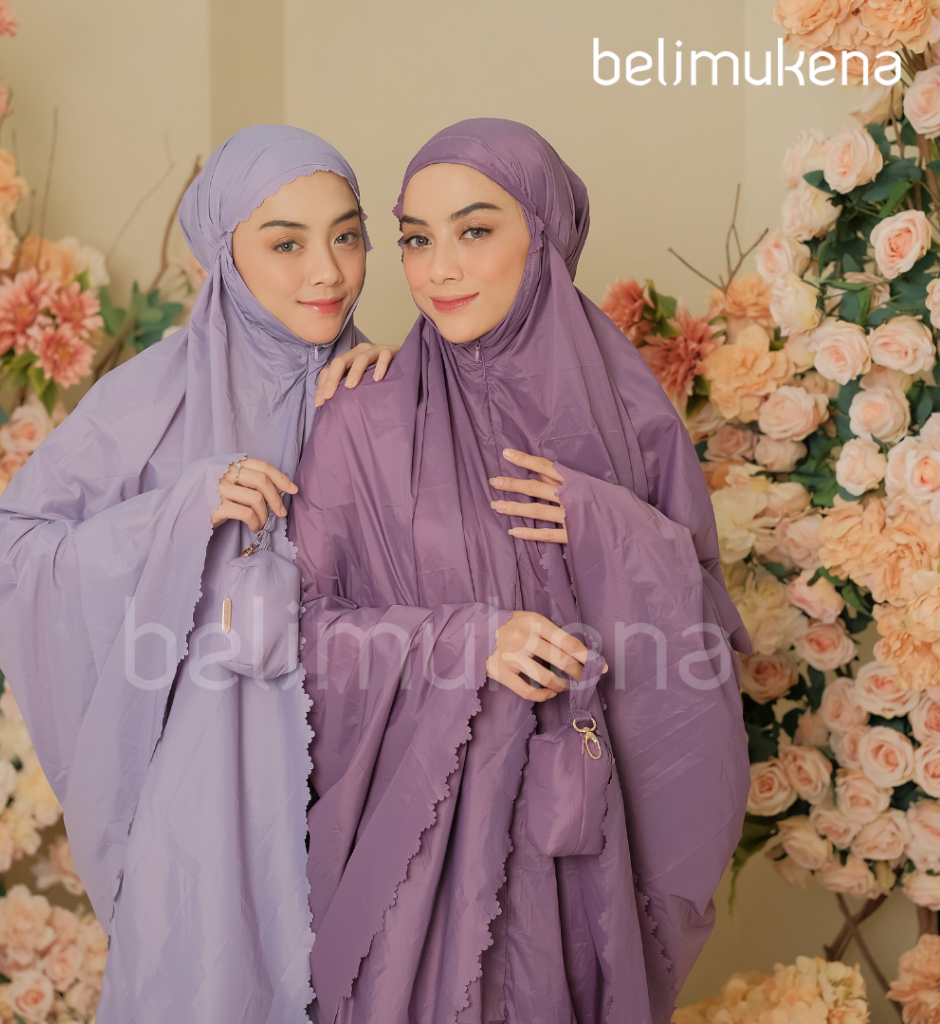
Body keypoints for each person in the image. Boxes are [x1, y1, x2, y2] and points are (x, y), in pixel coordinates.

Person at [289, 118, 751, 1024]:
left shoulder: (632, 417)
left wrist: (607, 527)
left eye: (474, 230)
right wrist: (467, 643)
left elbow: (705, 621)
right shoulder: (361, 420)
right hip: (427, 856)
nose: (439, 270)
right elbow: (293, 631)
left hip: (586, 835)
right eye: (416, 239)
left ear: (543, 232)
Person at [0, 125, 393, 1024]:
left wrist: (398, 416)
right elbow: (8, 548)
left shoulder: (388, 387)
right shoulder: (152, 395)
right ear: (223, 252)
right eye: (286, 244)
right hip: (204, 802)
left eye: (347, 236)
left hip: (368, 775)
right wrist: (178, 512)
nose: (328, 271)